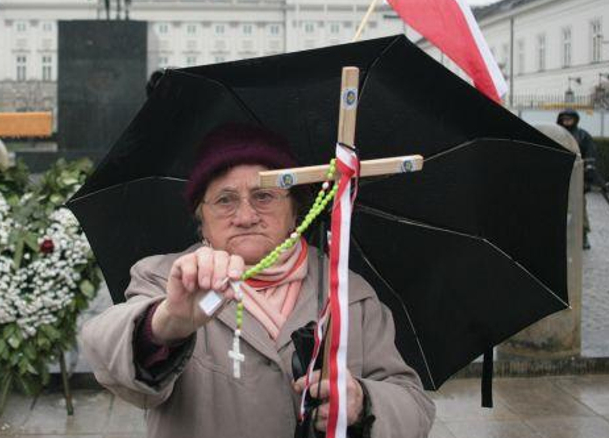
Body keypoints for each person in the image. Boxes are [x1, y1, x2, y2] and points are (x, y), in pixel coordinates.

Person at [79, 123, 435, 437]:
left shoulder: (347, 292)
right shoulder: (166, 279)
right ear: (200, 219)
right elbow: (104, 352)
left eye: (264, 195)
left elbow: (413, 407)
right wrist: (167, 323)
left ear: (296, 208)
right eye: (225, 200)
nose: (246, 216)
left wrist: (361, 402)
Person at [557, 109, 598, 250]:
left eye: (569, 119)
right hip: (559, 178)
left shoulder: (583, 136)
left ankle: (583, 235)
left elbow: (590, 156)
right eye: (564, 119)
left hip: (577, 178)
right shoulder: (557, 135)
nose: (567, 121)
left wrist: (588, 179)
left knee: (580, 209)